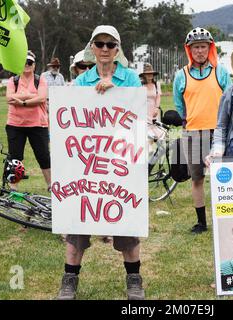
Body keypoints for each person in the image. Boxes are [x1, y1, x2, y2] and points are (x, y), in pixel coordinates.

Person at [56, 25, 145, 300]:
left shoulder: (130, 78)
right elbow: (68, 118)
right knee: (77, 223)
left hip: (121, 161)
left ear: (117, 50)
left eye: (110, 44)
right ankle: (69, 279)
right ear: (92, 48)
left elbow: (140, 114)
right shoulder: (81, 82)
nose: (105, 49)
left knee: (128, 225)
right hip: (87, 161)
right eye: (100, 44)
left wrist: (115, 91)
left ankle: (134, 279)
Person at [173, 27, 232, 234]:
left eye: (203, 47)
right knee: (197, 178)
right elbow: (179, 104)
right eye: (196, 47)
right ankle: (201, 222)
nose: (200, 51)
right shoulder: (181, 75)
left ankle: (226, 220)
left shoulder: (220, 72)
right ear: (189, 50)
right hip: (193, 133)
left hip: (218, 133)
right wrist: (188, 120)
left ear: (210, 48)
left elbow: (230, 99)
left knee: (224, 177)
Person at [5, 50, 51, 191]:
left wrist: (22, 99)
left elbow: (42, 98)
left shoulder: (40, 80)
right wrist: (32, 96)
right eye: (24, 62)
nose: (27, 65)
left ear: (34, 65)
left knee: (43, 156)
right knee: (15, 157)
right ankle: (13, 187)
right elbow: (9, 98)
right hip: (15, 124)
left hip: (38, 124)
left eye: (30, 62)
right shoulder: (13, 81)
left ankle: (51, 185)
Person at [139, 62, 164, 142]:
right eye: (147, 74)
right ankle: (148, 150)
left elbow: (158, 97)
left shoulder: (157, 84)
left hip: (154, 111)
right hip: (144, 111)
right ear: (144, 75)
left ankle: (154, 150)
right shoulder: (140, 85)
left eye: (151, 74)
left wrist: (156, 108)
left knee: (156, 133)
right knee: (145, 132)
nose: (150, 75)